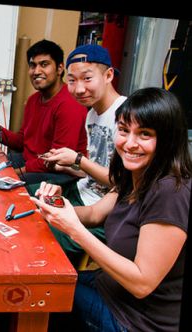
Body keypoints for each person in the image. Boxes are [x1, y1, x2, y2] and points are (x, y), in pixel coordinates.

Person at [31, 87, 191, 331]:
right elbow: (95, 214)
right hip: (109, 288)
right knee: (42, 280)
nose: (130, 143)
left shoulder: (171, 191)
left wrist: (74, 230)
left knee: (36, 294)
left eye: (144, 134)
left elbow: (142, 283)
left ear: (167, 139)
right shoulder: (134, 173)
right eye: (124, 130)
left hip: (135, 320)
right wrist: (59, 206)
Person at [39, 44, 128, 266]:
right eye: (72, 80)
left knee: (42, 238)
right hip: (84, 191)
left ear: (108, 75)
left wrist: (78, 160)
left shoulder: (126, 116)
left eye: (87, 78)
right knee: (23, 197)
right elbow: (96, 168)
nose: (79, 89)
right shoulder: (91, 115)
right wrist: (66, 165)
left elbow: (123, 183)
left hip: (105, 210)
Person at [0, 39, 88, 186]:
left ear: (60, 68)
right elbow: (23, 142)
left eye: (44, 64)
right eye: (32, 65)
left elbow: (56, 159)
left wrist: (13, 172)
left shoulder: (70, 105)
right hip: (32, 163)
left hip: (57, 173)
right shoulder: (33, 100)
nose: (36, 71)